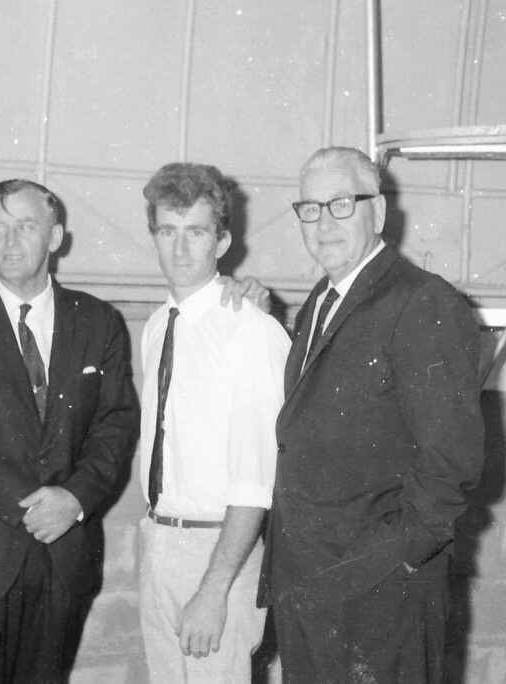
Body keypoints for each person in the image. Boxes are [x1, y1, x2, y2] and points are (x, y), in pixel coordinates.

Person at [257, 146, 485, 683]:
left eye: (340, 204)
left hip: (380, 594)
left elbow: (450, 463)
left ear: (377, 212)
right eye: (309, 209)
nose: (322, 223)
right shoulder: (319, 301)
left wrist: (389, 564)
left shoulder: (422, 301)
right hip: (311, 584)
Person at [0, 179, 139, 684]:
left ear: (55, 237)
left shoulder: (99, 321)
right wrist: (32, 504)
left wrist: (74, 501)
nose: (9, 242)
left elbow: (115, 426)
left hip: (65, 554)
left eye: (25, 227)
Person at [137, 163, 290, 684]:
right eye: (167, 232)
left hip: (218, 553)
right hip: (158, 540)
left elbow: (255, 483)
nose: (180, 250)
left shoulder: (251, 332)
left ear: (222, 241)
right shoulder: (158, 326)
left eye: (196, 233)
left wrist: (213, 589)